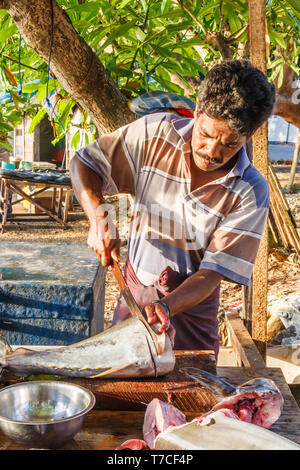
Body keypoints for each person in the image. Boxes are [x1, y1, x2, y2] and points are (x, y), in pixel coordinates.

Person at [70, 59, 275, 359]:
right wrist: (97, 215)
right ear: (197, 112)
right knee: (120, 390)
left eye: (229, 144)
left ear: (251, 135)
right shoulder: (155, 134)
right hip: (135, 293)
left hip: (193, 309)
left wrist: (166, 306)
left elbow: (211, 274)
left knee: (192, 396)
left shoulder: (250, 191)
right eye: (205, 134)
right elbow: (84, 163)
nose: (211, 152)